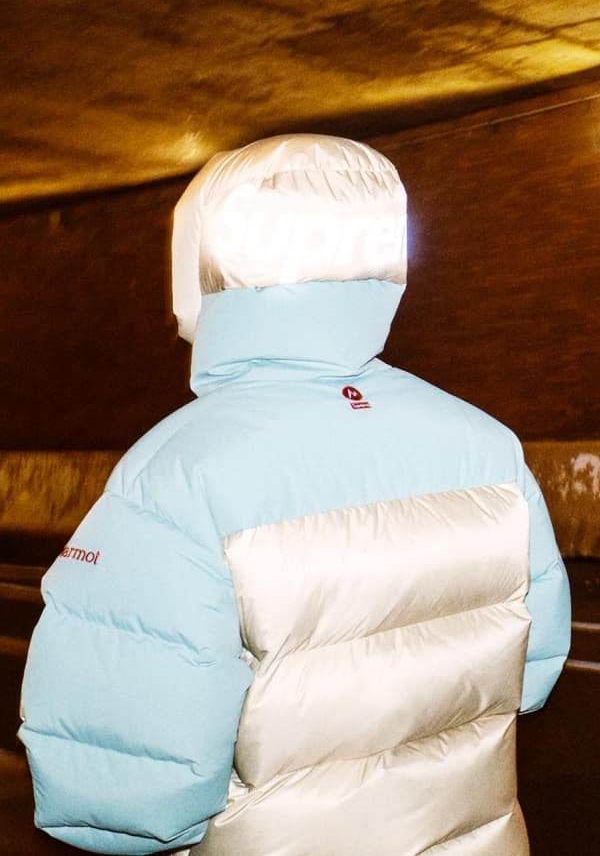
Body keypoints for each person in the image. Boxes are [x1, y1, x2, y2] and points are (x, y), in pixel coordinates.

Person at [19, 134, 570, 855]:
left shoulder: (179, 476)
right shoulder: (489, 444)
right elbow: (531, 671)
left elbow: (127, 783)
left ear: (202, 267)